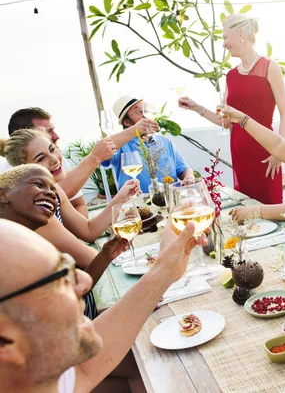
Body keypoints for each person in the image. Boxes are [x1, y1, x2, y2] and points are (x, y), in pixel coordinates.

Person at [0, 217, 205, 393]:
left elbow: (85, 369)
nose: (85, 281)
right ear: (6, 340)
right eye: (59, 276)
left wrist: (164, 271)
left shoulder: (38, 373)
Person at [179, 13, 285, 204]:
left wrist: (278, 153)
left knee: (270, 207)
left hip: (266, 153)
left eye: (224, 37)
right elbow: (224, 121)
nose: (223, 44)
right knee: (246, 209)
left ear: (240, 34)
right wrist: (196, 107)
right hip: (240, 154)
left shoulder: (270, 67)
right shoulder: (230, 76)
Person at [0, 164, 129, 321]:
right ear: (3, 194)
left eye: (53, 191)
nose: (51, 194)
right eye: (38, 184)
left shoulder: (29, 241)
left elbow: (74, 291)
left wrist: (105, 255)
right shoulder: (9, 252)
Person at [0, 129, 139, 272]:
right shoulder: (36, 208)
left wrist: (120, 198)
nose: (54, 159)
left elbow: (88, 231)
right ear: (24, 169)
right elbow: (89, 258)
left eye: (52, 149)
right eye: (41, 158)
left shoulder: (55, 189)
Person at [2, 107, 158, 216]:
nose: (56, 136)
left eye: (53, 129)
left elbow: (79, 204)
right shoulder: (11, 178)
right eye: (48, 132)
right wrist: (94, 157)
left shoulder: (56, 158)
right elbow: (61, 191)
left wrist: (76, 232)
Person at [103, 95, 194, 193]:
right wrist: (134, 130)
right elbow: (103, 149)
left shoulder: (164, 141)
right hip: (137, 205)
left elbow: (183, 168)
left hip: (171, 200)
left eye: (145, 109)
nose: (145, 114)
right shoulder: (120, 146)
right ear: (127, 122)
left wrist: (188, 177)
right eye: (138, 111)